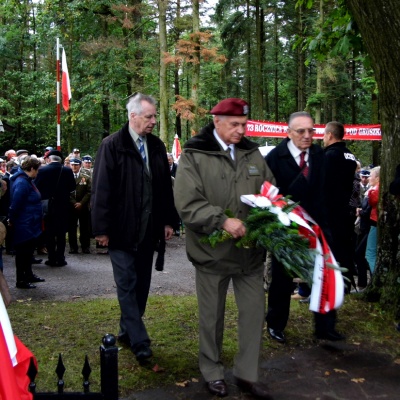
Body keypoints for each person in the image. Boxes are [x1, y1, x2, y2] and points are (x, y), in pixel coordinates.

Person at [174, 98, 275, 399]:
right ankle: (212, 371)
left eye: (244, 124)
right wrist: (221, 221)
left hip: (250, 253)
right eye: (234, 125)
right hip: (212, 253)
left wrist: (273, 212)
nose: (241, 130)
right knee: (211, 317)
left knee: (255, 313)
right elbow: (187, 203)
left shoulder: (253, 153)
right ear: (216, 122)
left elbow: (270, 189)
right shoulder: (194, 155)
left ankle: (247, 374)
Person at [91, 93, 178, 363]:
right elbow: (101, 189)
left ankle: (127, 330)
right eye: (149, 116)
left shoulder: (155, 146)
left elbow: (163, 188)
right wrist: (101, 229)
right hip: (120, 230)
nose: (154, 121)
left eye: (154, 116)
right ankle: (140, 341)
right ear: (133, 116)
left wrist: (168, 220)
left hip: (148, 231)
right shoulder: (112, 146)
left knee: (141, 286)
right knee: (126, 284)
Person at [265, 111, 344, 343]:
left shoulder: (320, 155)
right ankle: (275, 324)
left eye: (311, 130)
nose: (307, 136)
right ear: (288, 133)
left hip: (317, 227)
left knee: (323, 273)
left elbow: (325, 190)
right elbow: (267, 193)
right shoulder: (274, 157)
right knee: (282, 278)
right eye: (301, 131)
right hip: (287, 229)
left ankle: (325, 327)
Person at [322, 121, 358, 292]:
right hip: (346, 210)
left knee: (331, 250)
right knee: (345, 247)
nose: (322, 138)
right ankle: (346, 283)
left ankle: (333, 285)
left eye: (323, 134)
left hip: (331, 211)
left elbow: (323, 183)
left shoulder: (329, 156)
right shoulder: (350, 156)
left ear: (330, 135)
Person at [8, 156, 45, 289]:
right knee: (23, 252)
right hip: (24, 223)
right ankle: (21, 279)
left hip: (30, 222)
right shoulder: (22, 182)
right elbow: (16, 203)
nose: (38, 172)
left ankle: (28, 274)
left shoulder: (28, 180)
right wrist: (12, 219)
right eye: (37, 170)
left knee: (28, 251)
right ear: (31, 169)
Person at [34, 150, 76, 267]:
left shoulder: (42, 170)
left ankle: (51, 258)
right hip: (63, 206)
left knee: (49, 233)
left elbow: (36, 187)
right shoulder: (67, 170)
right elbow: (72, 187)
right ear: (60, 160)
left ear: (49, 159)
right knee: (61, 234)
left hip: (47, 206)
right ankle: (61, 258)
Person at [68, 158, 92, 254]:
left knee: (85, 227)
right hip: (71, 206)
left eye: (76, 165)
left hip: (83, 206)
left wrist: (81, 203)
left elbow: (89, 191)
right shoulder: (67, 177)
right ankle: (73, 247)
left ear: (80, 165)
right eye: (72, 165)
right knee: (72, 228)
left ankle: (85, 246)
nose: (74, 167)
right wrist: (74, 202)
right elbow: (66, 191)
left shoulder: (85, 177)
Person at [365, 166, 380, 273]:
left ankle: (376, 278)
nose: (368, 178)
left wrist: (370, 192)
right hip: (375, 222)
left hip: (376, 223)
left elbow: (373, 201)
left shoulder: (376, 190)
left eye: (370, 176)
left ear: (378, 178)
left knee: (370, 253)